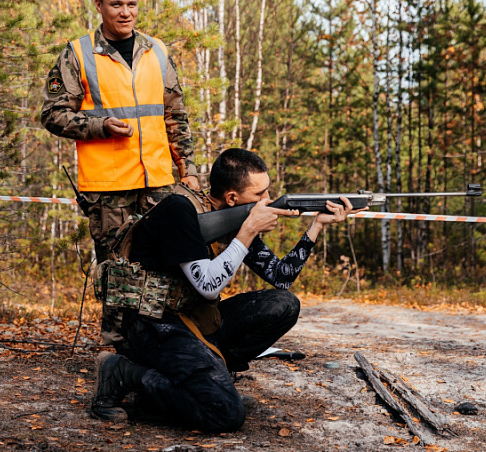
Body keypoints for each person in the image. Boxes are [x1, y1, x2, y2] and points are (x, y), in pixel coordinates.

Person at [90, 148, 354, 432]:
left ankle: (212, 377)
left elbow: (281, 277)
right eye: (260, 195)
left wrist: (315, 226)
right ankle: (124, 373)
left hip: (196, 320)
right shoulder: (179, 210)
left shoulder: (234, 219)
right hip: (153, 327)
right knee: (225, 415)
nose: (267, 201)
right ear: (232, 198)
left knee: (283, 304)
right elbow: (207, 285)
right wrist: (248, 231)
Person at [41, 0, 199, 269]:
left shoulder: (158, 51)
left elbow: (175, 115)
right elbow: (52, 114)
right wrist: (100, 127)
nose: (126, 13)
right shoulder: (78, 54)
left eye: (132, 5)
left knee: (167, 273)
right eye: (116, 5)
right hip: (109, 193)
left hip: (159, 186)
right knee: (118, 281)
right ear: (99, 5)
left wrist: (187, 170)